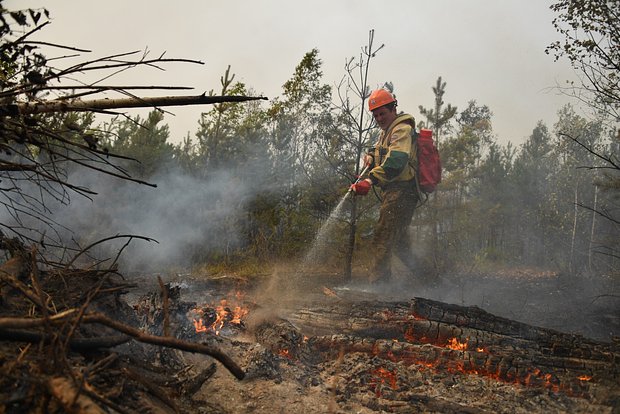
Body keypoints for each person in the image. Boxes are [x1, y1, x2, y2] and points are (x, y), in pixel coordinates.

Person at [350, 88, 420, 284]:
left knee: (382, 237)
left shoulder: (401, 129)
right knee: (400, 246)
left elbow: (397, 160)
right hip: (396, 191)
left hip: (403, 191)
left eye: (383, 113)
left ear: (393, 109)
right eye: (376, 115)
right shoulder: (387, 131)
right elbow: (382, 151)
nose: (379, 118)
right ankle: (433, 280)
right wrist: (371, 157)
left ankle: (379, 290)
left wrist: (370, 180)